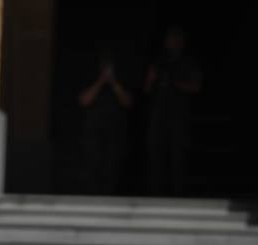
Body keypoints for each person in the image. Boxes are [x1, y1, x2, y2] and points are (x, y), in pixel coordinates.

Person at [144, 25, 201, 195]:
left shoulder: (189, 62)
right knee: (156, 154)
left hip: (179, 116)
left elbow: (196, 87)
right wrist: (152, 78)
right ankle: (156, 193)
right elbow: (146, 89)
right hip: (159, 115)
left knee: (178, 156)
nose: (173, 43)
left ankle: (178, 194)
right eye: (170, 39)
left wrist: (175, 84)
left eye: (176, 39)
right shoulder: (159, 62)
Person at [78, 48, 133, 194]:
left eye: (109, 65)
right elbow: (84, 101)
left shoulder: (121, 80)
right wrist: (101, 81)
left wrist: (114, 83)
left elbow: (127, 102)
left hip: (115, 134)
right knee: (92, 170)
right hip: (93, 134)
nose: (106, 69)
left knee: (112, 173)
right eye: (104, 65)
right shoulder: (91, 78)